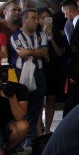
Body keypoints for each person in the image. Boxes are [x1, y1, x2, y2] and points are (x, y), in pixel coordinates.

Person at [10, 8, 48, 147]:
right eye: (33, 18)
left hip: (38, 73)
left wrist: (30, 51)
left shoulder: (41, 35)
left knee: (35, 107)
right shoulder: (16, 36)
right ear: (24, 20)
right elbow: (22, 54)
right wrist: (36, 52)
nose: (36, 21)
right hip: (21, 73)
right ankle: (18, 139)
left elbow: (44, 51)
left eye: (37, 18)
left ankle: (30, 139)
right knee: (21, 106)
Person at [38, 7, 65, 137]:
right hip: (39, 68)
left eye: (48, 18)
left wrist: (51, 38)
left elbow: (60, 52)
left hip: (53, 68)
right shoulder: (35, 33)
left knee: (50, 100)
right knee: (38, 101)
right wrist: (43, 34)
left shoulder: (55, 32)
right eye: (42, 17)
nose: (45, 20)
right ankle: (38, 130)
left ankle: (48, 130)